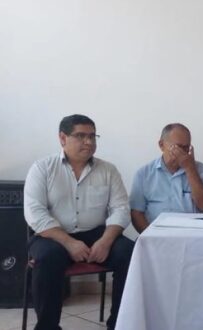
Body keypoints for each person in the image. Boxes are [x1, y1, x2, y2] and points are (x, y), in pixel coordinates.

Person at [23, 114, 134, 329]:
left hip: (96, 233)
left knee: (130, 252)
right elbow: (35, 213)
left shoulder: (108, 170)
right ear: (62, 138)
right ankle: (48, 326)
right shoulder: (42, 168)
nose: (89, 142)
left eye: (93, 136)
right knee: (47, 258)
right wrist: (69, 243)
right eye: (81, 136)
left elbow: (121, 209)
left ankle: (120, 323)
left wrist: (106, 241)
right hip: (53, 236)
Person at [130, 123, 203, 233]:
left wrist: (190, 168)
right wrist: (150, 236)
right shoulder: (143, 174)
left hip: (193, 235)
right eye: (178, 147)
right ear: (161, 145)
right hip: (155, 235)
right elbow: (136, 213)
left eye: (187, 147)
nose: (183, 153)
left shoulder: (202, 171)